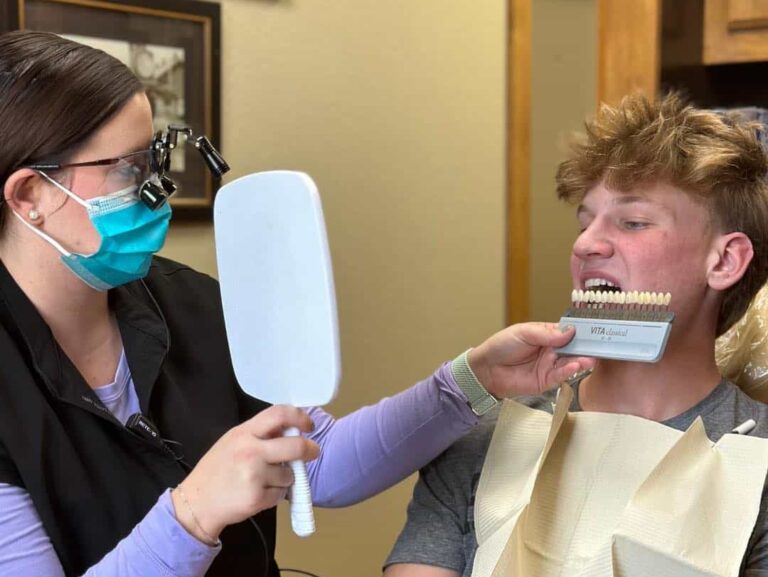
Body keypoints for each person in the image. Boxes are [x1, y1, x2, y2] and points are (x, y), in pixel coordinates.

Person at [0, 31, 596, 577]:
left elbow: (315, 461)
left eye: (156, 158)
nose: (157, 189)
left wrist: (473, 381)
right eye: (128, 170)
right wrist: (191, 516)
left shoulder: (191, 305)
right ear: (31, 195)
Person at [384, 92, 768, 577]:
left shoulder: (757, 462)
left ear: (725, 260)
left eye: (633, 222)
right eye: (585, 222)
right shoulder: (484, 439)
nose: (586, 244)